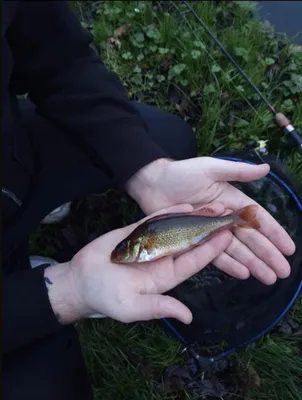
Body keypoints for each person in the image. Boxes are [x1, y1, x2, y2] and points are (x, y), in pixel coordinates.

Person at [2, 2, 296, 400]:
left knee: (165, 139)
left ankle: (29, 218)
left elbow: (59, 57)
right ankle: (26, 273)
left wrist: (146, 170)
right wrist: (60, 294)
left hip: (14, 161)